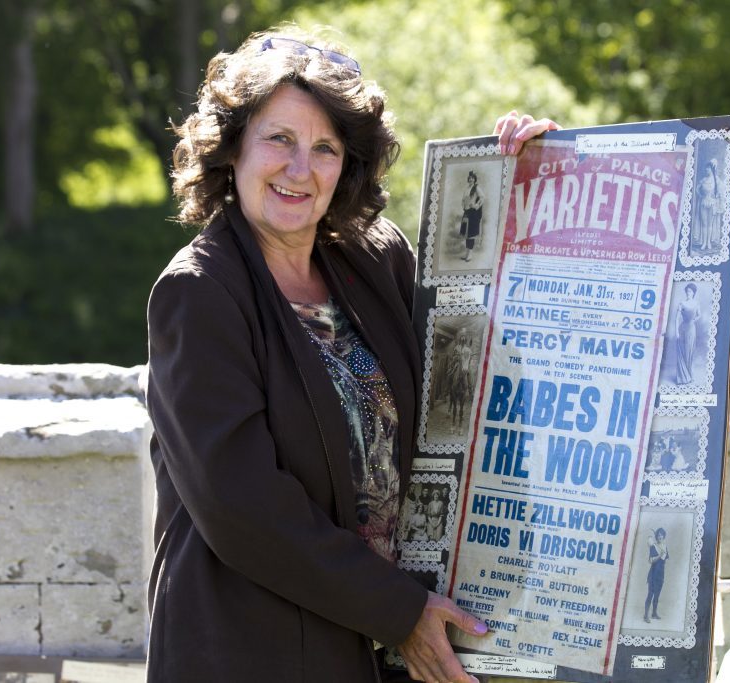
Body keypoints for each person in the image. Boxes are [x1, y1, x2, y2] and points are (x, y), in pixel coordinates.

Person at [144, 26, 559, 683]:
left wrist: (523, 192)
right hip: (255, 655)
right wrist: (400, 612)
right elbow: (243, 507)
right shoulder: (198, 294)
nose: (300, 169)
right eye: (279, 138)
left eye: (325, 148)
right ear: (231, 149)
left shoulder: (375, 256)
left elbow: (474, 357)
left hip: (388, 653)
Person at [673, 283, 701, 384]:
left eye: (690, 291)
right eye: (687, 291)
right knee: (683, 351)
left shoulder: (696, 303)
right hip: (682, 328)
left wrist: (694, 320)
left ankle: (689, 375)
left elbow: (699, 315)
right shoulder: (682, 303)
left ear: (693, 293)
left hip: (691, 329)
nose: (688, 293)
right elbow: (676, 318)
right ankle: (682, 377)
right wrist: (676, 331)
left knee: (690, 351)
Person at [644, 528, 669, 623]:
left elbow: (664, 560)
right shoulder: (653, 547)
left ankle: (654, 614)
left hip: (661, 575)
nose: (660, 537)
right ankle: (646, 615)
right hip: (653, 574)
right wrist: (659, 555)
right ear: (656, 537)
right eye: (658, 535)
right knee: (650, 594)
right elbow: (651, 561)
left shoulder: (664, 547)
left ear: (664, 536)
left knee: (657, 595)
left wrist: (662, 553)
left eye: (662, 535)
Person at [459, 171, 485, 262]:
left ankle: (470, 255)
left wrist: (475, 206)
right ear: (468, 179)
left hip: (473, 213)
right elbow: (463, 200)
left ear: (474, 179)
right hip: (467, 212)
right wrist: (464, 207)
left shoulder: (476, 187)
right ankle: (467, 253)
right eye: (470, 178)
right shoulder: (466, 189)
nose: (471, 179)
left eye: (472, 178)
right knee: (467, 234)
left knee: (471, 234)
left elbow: (482, 197)